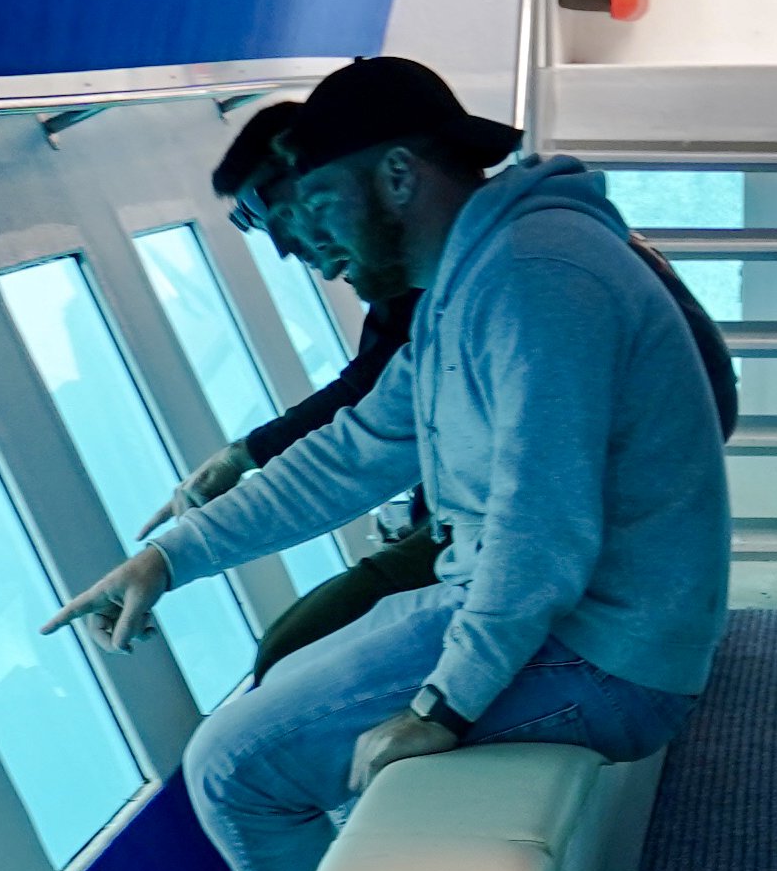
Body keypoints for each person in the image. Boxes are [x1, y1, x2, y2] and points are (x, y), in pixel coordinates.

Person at [51, 55, 730, 871]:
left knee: (235, 770)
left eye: (323, 200)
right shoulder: (470, 286)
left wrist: (441, 710)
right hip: (553, 615)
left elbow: (541, 534)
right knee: (271, 723)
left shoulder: (533, 282)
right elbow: (350, 454)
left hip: (607, 653)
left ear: (400, 176)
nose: (312, 242)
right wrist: (167, 558)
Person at [156, 102, 745, 681]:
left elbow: (525, 493)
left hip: (618, 556)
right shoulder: (489, 255)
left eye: (295, 211)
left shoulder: (494, 275)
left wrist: (448, 702)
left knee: (292, 651)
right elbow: (377, 426)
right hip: (624, 507)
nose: (295, 245)